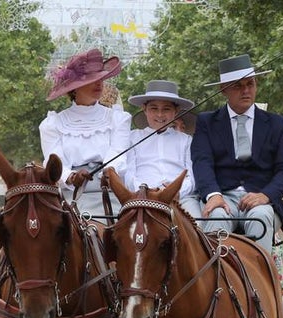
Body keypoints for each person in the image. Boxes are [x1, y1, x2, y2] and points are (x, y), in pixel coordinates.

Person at [191, 53, 283, 255]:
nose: (246, 90)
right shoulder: (206, 122)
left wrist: (266, 195)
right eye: (238, 86)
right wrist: (213, 195)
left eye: (251, 84)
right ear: (223, 89)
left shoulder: (275, 123)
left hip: (261, 198)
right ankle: (215, 283)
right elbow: (201, 161)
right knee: (215, 219)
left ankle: (259, 282)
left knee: (261, 219)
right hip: (222, 196)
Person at [40, 48, 131, 218]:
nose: (99, 83)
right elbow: (53, 161)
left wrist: (109, 171)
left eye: (100, 79)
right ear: (74, 88)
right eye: (92, 80)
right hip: (70, 195)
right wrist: (71, 177)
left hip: (110, 192)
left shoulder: (118, 119)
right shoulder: (53, 124)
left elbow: (119, 153)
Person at [124, 80, 202, 217]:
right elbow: (129, 173)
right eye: (154, 108)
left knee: (197, 224)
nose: (160, 115)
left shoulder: (186, 140)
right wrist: (145, 192)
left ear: (176, 111)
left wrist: (177, 192)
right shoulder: (132, 138)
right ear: (144, 108)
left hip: (181, 199)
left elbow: (193, 176)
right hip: (141, 197)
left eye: (166, 109)